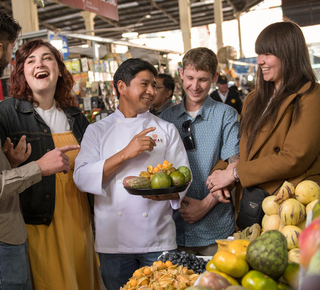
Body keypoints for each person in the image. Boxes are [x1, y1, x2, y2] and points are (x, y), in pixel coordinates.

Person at [73, 58, 190, 290]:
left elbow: (183, 176)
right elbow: (82, 177)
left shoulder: (166, 129)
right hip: (113, 243)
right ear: (121, 87)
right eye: (144, 84)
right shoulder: (97, 130)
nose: (151, 91)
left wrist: (168, 195)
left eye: (154, 86)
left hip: (158, 238)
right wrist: (126, 153)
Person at [0, 39, 101, 289]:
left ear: (58, 68)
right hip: (37, 221)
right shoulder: (7, 114)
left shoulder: (76, 116)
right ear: (21, 71)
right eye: (30, 61)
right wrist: (11, 164)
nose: (39, 64)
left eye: (47, 58)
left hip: (78, 219)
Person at [209, 21, 320, 214]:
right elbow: (243, 146)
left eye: (267, 54)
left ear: (289, 54)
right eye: (259, 53)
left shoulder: (312, 96)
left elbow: (294, 157)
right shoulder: (254, 98)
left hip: (289, 204)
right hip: (252, 200)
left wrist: (235, 174)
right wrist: (217, 175)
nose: (259, 61)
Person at [160, 47, 240, 256]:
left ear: (214, 77)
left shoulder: (226, 115)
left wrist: (205, 205)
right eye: (190, 78)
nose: (195, 86)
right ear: (181, 74)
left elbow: (234, 163)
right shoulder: (166, 119)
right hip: (173, 228)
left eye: (203, 79)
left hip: (216, 227)